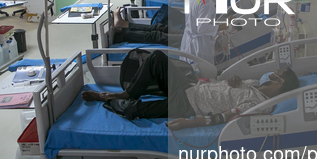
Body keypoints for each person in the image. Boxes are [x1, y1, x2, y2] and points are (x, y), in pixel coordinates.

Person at [81, 50, 299, 129]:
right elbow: (231, 84)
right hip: (190, 88)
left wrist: (190, 122)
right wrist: (234, 79)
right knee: (157, 57)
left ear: (281, 83)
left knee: (136, 111)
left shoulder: (262, 106)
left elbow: (225, 117)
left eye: (275, 75)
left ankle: (106, 99)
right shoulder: (255, 84)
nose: (270, 74)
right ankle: (127, 92)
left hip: (188, 105)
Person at [179, 0, 225, 64]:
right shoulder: (206, 2)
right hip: (199, 48)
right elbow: (202, 28)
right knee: (203, 76)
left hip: (189, 42)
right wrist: (225, 26)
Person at [111, 6, 184, 47]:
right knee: (161, 28)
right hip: (190, 35)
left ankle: (123, 32)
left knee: (156, 35)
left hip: (188, 41)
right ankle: (124, 25)